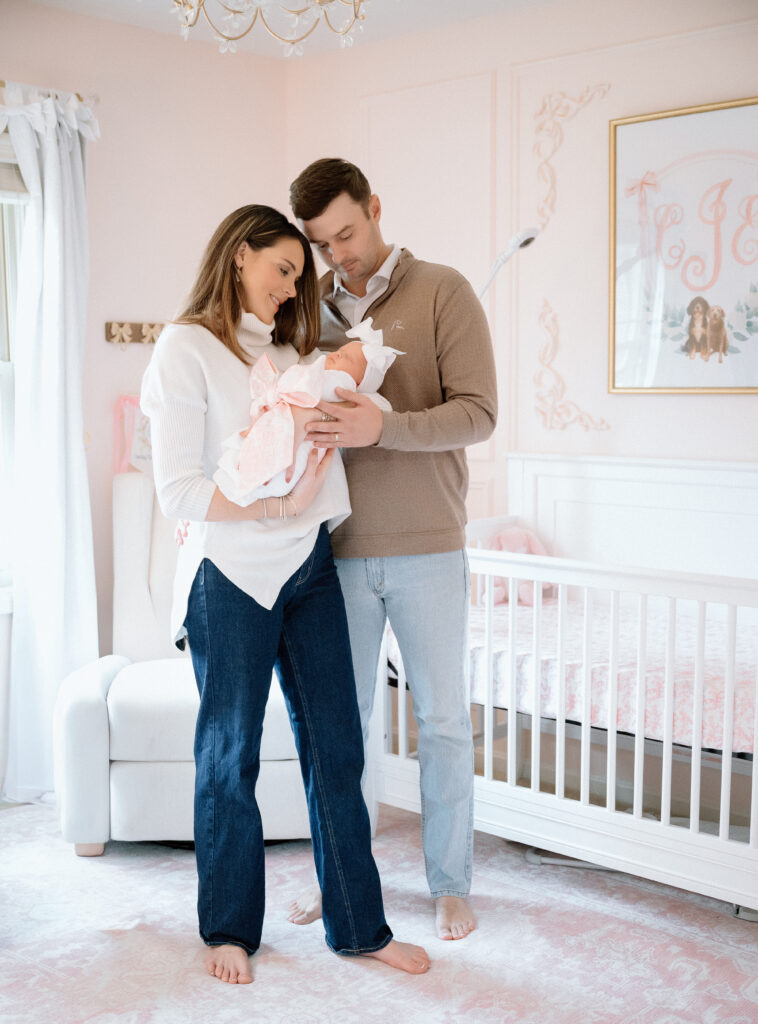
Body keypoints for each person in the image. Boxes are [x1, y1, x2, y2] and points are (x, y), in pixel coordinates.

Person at [140, 204, 430, 984]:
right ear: (240, 255)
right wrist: (267, 506)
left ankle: (359, 928)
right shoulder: (185, 349)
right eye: (283, 269)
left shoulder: (297, 350)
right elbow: (178, 491)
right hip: (228, 576)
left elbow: (332, 416)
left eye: (299, 278)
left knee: (336, 747)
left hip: (306, 567)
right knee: (229, 756)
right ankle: (230, 929)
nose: (290, 287)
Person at [288, 159, 498, 942]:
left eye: (347, 232)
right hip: (332, 554)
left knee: (443, 720)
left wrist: (387, 429)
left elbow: (480, 413)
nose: (338, 253)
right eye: (323, 243)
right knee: (342, 729)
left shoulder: (444, 290)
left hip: (429, 547)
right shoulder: (307, 311)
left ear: (375, 208)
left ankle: (450, 882)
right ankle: (338, 877)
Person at [213, 322, 401, 507]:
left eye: (348, 359)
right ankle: (244, 478)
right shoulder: (316, 369)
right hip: (282, 423)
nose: (338, 353)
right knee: (253, 448)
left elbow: (381, 408)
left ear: (360, 382)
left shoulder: (342, 385)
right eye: (341, 349)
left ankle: (251, 481)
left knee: (284, 458)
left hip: (305, 441)